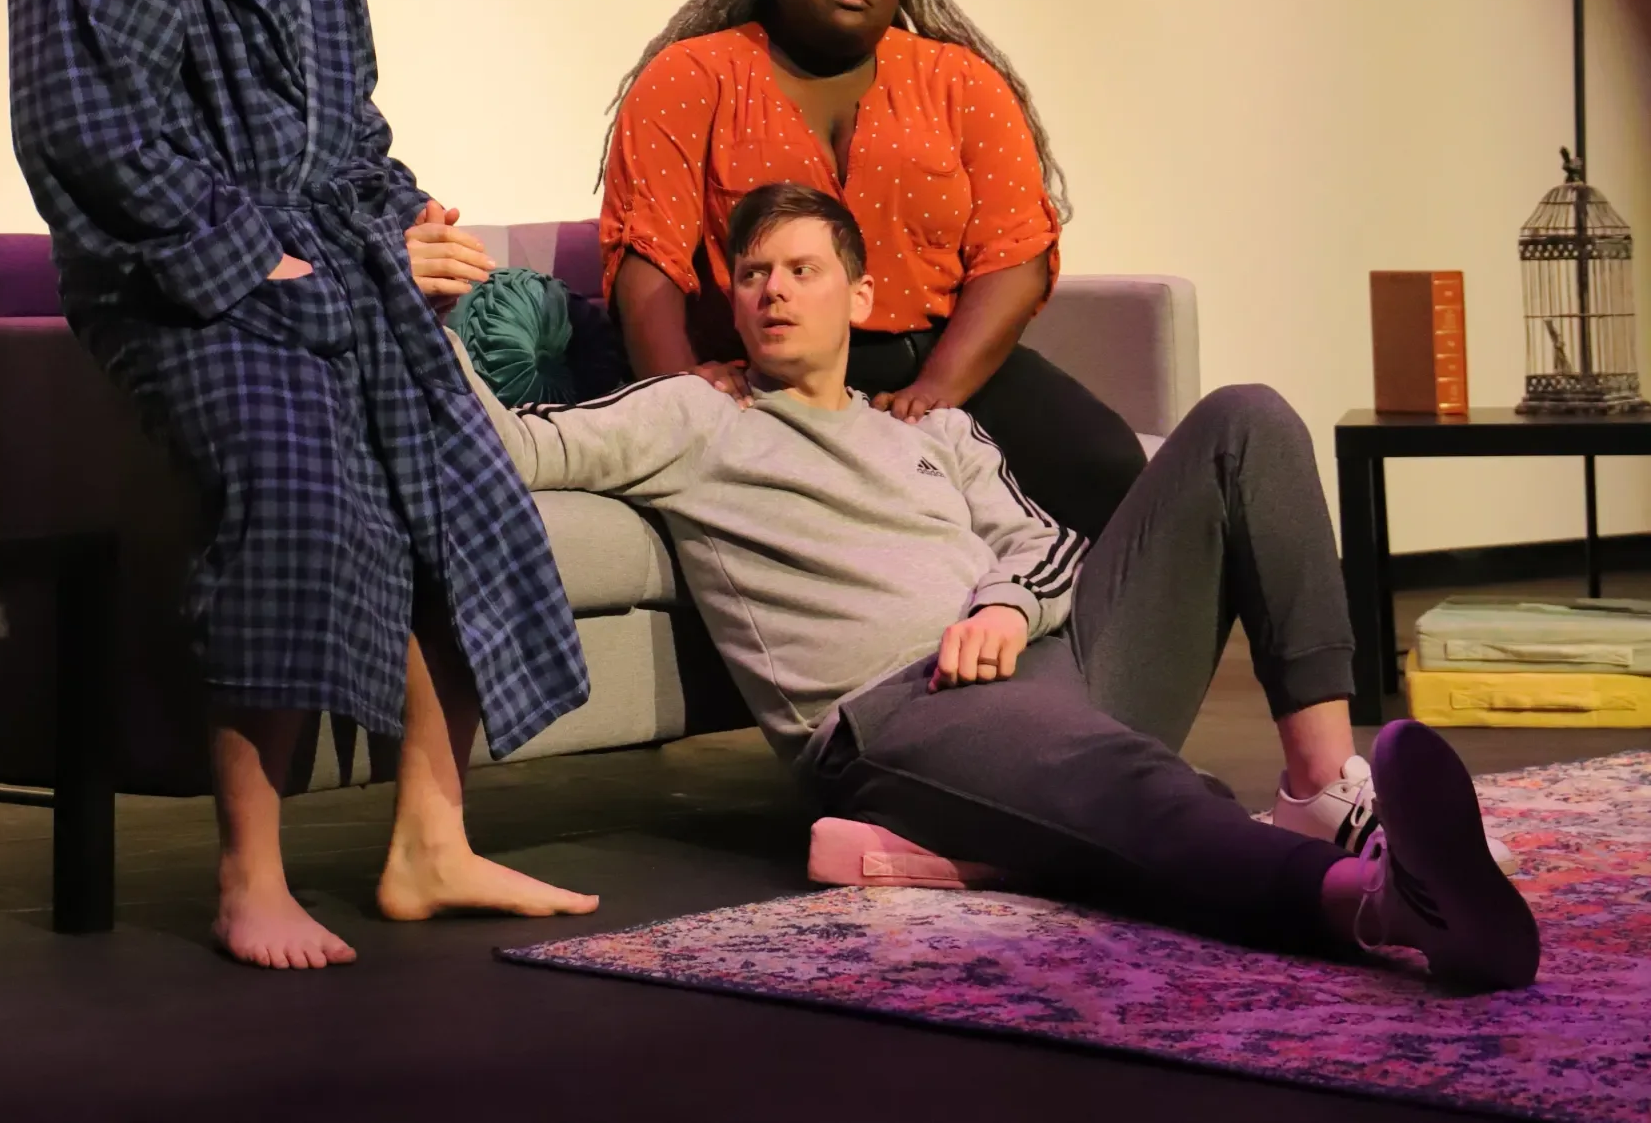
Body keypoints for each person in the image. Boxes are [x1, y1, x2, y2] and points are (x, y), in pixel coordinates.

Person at [466, 181, 1539, 989]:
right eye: (752, 275)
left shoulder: (931, 426)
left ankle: (1318, 792)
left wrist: (1002, 605)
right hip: (900, 709)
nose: (772, 290)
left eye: (801, 268)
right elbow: (513, 448)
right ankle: (1376, 903)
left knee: (1243, 417)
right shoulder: (692, 414)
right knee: (1127, 790)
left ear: (860, 294)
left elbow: (1049, 553)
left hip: (1048, 659)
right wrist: (410, 313)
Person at [9, 0, 597, 971]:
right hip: (171, 280)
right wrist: (255, 258)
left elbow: (350, 128)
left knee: (461, 474)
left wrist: (406, 225)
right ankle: (250, 874)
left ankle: (431, 842)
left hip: (325, 258)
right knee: (298, 486)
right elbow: (88, 140)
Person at [600, 0, 1145, 542]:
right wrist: (679, 398)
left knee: (1105, 465)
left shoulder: (960, 81)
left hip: (936, 359)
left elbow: (1016, 254)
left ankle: (1081, 646)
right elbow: (648, 254)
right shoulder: (691, 76)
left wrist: (937, 392)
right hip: (772, 367)